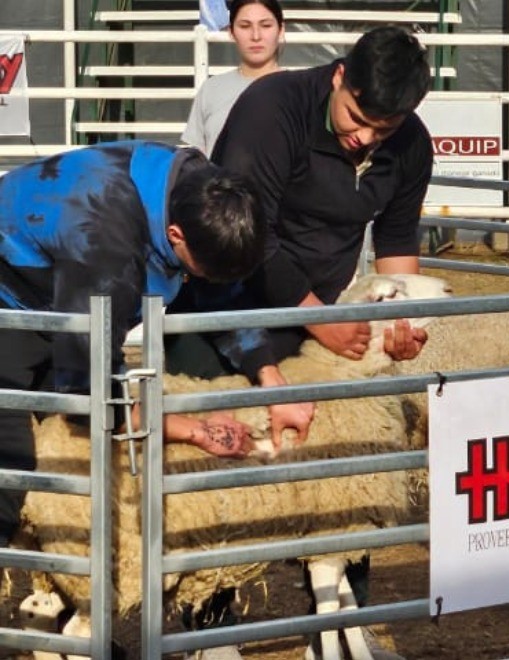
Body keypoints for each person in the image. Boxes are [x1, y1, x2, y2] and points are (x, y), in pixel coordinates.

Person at [0, 140, 297, 546]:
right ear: (175, 235)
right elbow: (88, 385)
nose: (206, 280)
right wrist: (193, 430)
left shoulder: (204, 192)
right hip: (11, 300)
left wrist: (269, 376)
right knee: (10, 462)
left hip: (59, 298)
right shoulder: (105, 243)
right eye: (203, 272)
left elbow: (217, 291)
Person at [167, 26, 433, 384]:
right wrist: (319, 319)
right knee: (215, 411)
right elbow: (250, 231)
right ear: (339, 76)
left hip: (316, 320)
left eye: (384, 130)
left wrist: (403, 320)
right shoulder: (272, 110)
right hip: (226, 312)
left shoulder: (411, 144)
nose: (365, 137)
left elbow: (396, 238)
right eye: (356, 117)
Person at [182, 0, 284, 157]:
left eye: (265, 25)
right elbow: (199, 158)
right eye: (245, 26)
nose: (256, 36)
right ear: (231, 32)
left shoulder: (301, 90)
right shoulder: (211, 89)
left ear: (281, 30)